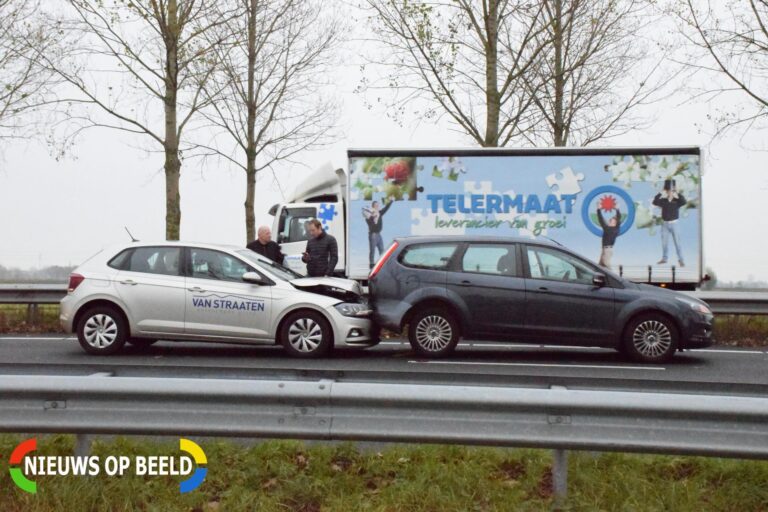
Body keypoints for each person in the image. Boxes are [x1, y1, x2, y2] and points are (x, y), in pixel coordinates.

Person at [652, 180, 686, 267]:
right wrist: (660, 192)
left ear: (673, 191)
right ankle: (664, 258)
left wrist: (677, 192)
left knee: (677, 242)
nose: (670, 192)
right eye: (668, 190)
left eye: (671, 190)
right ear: (666, 191)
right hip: (665, 224)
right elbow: (655, 202)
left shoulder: (677, 201)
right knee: (664, 242)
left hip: (674, 224)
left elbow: (684, 201)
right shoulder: (663, 201)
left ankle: (681, 260)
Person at [362, 198, 393, 268]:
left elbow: (386, 208)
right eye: (376, 205)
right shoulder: (369, 216)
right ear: (373, 207)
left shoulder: (380, 213)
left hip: (379, 234)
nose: (377, 207)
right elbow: (371, 225)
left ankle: (382, 265)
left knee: (382, 250)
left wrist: (391, 201)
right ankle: (371, 265)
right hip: (373, 234)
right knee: (372, 250)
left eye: (378, 205)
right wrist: (374, 217)